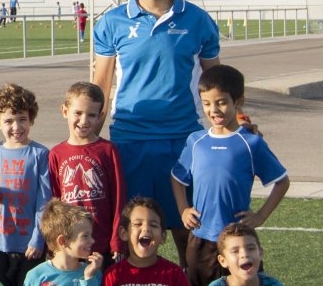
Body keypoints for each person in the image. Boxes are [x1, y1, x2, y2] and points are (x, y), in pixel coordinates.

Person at [91, 0, 220, 264]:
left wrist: (232, 126)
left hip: (183, 140)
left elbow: (215, 83)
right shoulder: (112, 23)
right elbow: (100, 87)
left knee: (188, 234)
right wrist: (89, 136)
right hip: (129, 141)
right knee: (134, 233)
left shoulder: (198, 21)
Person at [171, 65, 288, 286]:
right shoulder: (196, 141)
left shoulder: (251, 142)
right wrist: (183, 209)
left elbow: (282, 182)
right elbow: (177, 179)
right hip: (201, 239)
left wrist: (261, 216)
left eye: (221, 102)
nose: (213, 110)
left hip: (239, 241)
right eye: (206, 103)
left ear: (238, 101)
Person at [0, 85, 50, 286]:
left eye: (22, 119)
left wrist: (38, 239)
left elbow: (45, 201)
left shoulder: (40, 154)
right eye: (9, 121)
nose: (16, 127)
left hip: (28, 245)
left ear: (31, 119)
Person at [47, 84, 124, 268]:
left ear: (100, 116)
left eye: (91, 115)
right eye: (78, 113)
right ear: (65, 111)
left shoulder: (107, 150)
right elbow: (54, 204)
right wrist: (52, 244)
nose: (84, 120)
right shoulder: (56, 153)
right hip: (68, 244)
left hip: (101, 244)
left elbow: (119, 197)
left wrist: (117, 240)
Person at [101, 197, 188, 286]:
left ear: (163, 236)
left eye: (153, 225)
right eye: (138, 224)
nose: (146, 229)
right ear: (124, 233)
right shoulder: (113, 275)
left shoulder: (175, 274)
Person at [22, 201, 103, 286]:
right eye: (85, 236)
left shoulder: (93, 272)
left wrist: (88, 278)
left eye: (91, 235)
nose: (92, 240)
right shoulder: (36, 276)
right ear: (62, 241)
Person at [208, 224, 282, 286]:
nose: (244, 254)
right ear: (223, 260)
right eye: (235, 251)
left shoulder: (273, 284)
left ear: (260, 253)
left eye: (250, 248)